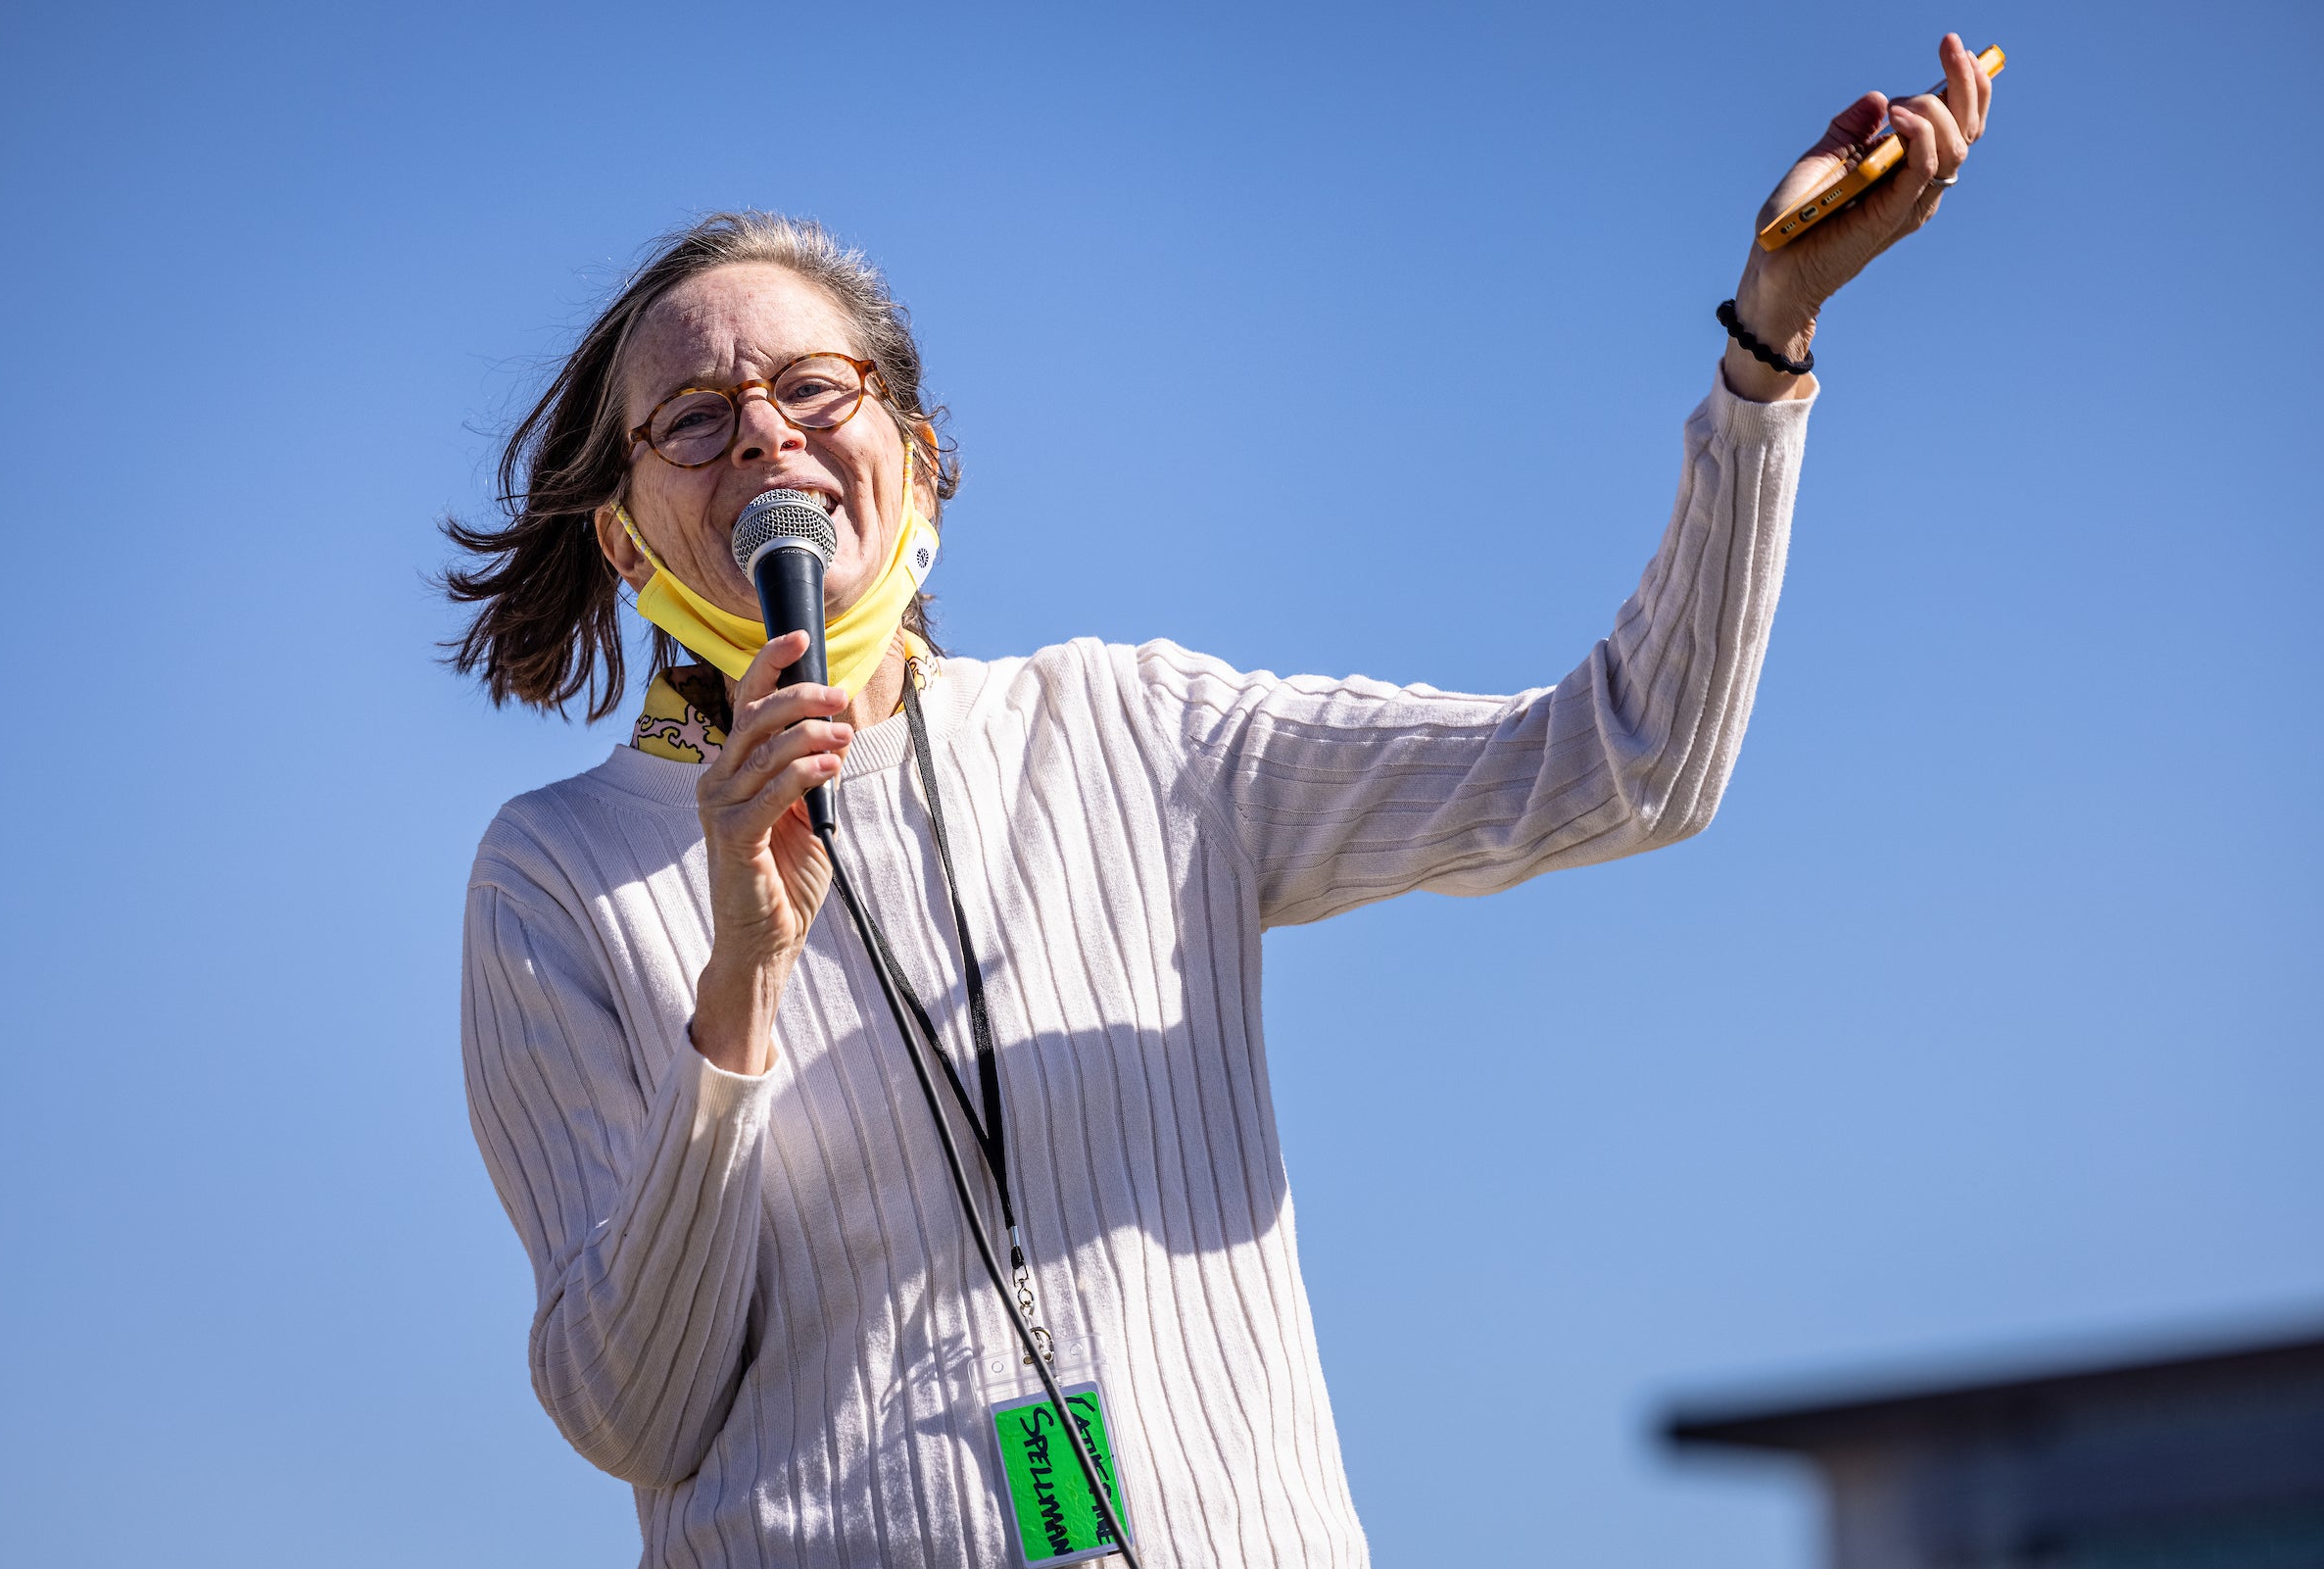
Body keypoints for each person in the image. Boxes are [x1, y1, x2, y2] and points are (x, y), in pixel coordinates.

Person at [445, 36, 1994, 1568]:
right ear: (631, 545)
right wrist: (738, 988)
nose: (768, 435)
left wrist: (1768, 343)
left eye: (809, 387)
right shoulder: (556, 874)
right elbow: (628, 1410)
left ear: (920, 460)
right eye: (698, 420)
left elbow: (1631, 761)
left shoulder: (1141, 728)